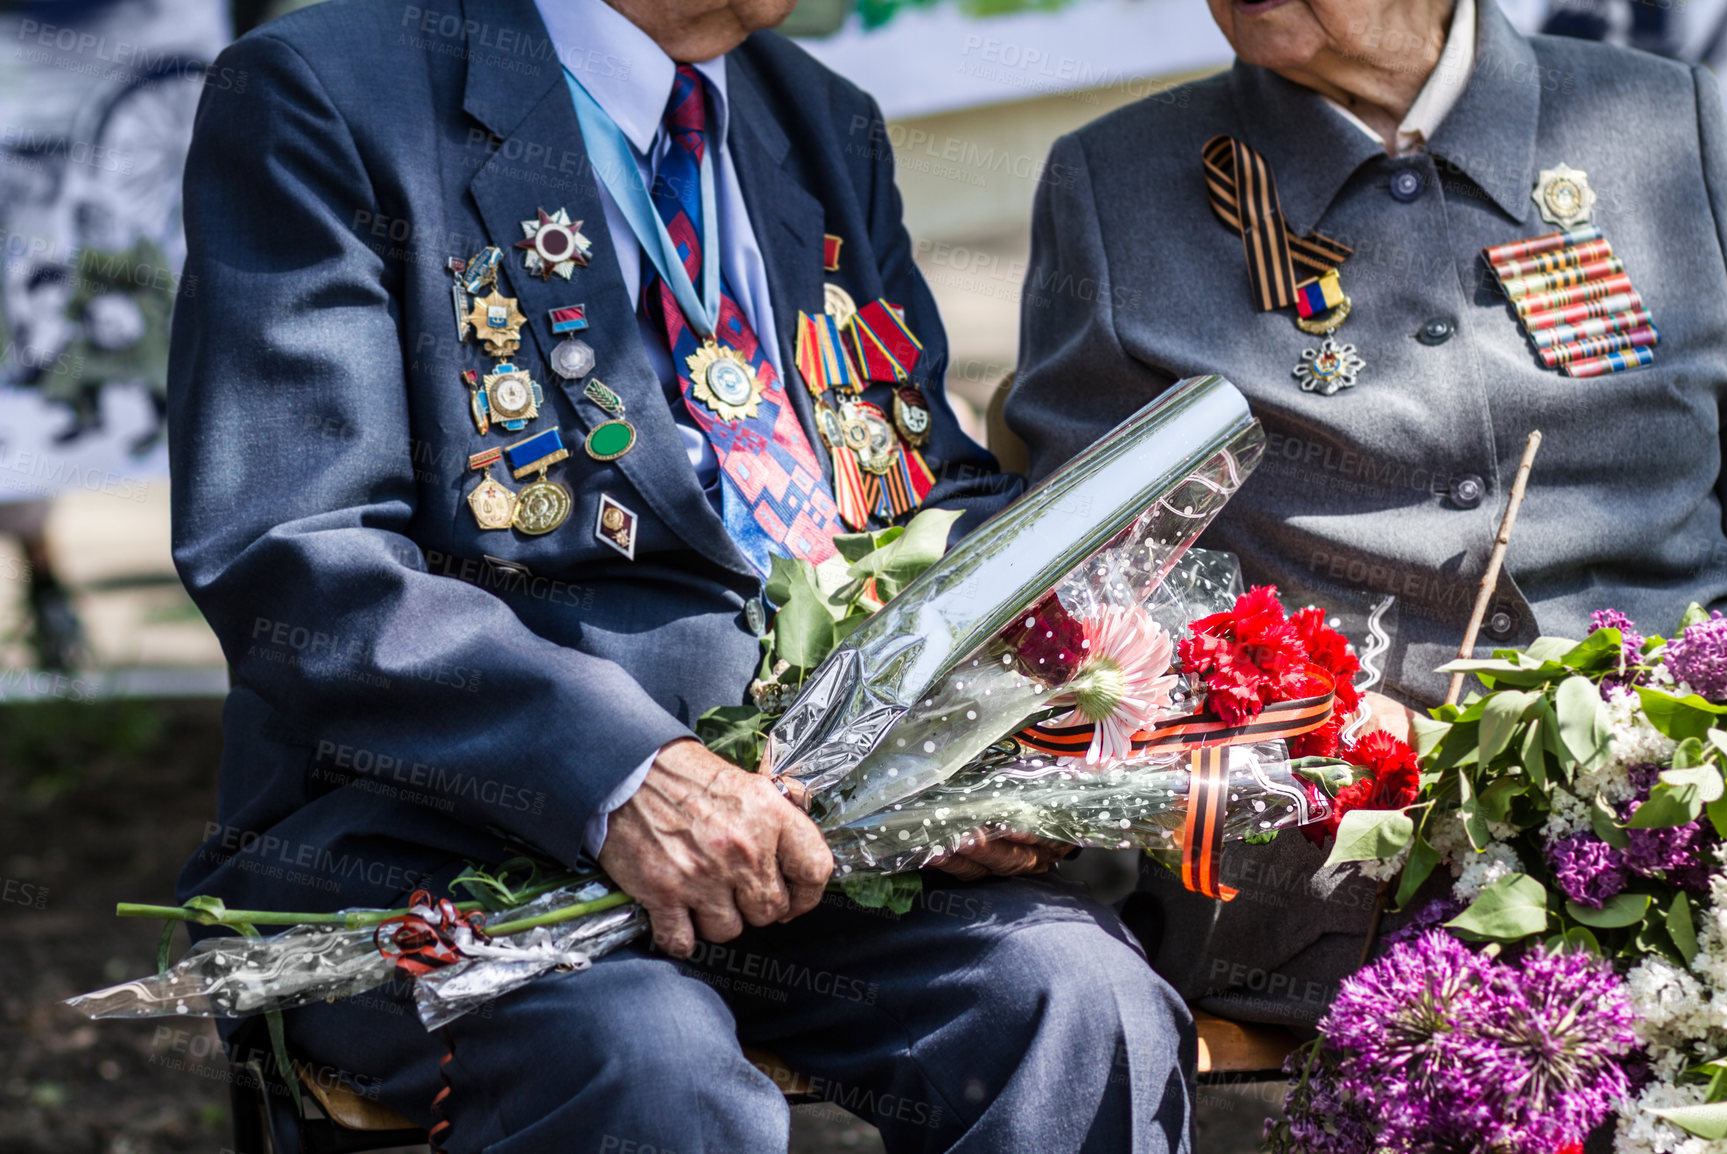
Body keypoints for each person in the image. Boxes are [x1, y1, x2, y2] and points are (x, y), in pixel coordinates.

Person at [167, 0, 1197, 1148]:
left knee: (1074, 995)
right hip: (451, 832)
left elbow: (918, 480)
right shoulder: (326, 90)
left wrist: (994, 728)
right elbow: (297, 552)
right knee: (647, 1060)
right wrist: (617, 770)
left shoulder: (811, 113)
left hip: (812, 835)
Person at [1007, 0, 1727, 1026]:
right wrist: (1292, 724)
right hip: (1337, 864)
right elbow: (1080, 583)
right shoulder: (1117, 182)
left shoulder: (1668, 120)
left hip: (1685, 805)